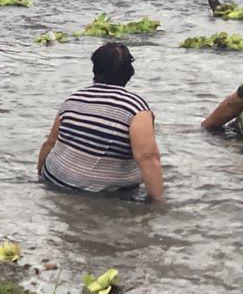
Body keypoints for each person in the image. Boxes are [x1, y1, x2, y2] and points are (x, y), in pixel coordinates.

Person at [37, 43, 164, 200]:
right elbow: (148, 157)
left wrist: (40, 177)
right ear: (129, 73)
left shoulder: (73, 99)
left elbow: (49, 143)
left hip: (55, 180)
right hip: (104, 193)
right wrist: (158, 205)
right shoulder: (135, 108)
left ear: (95, 69)